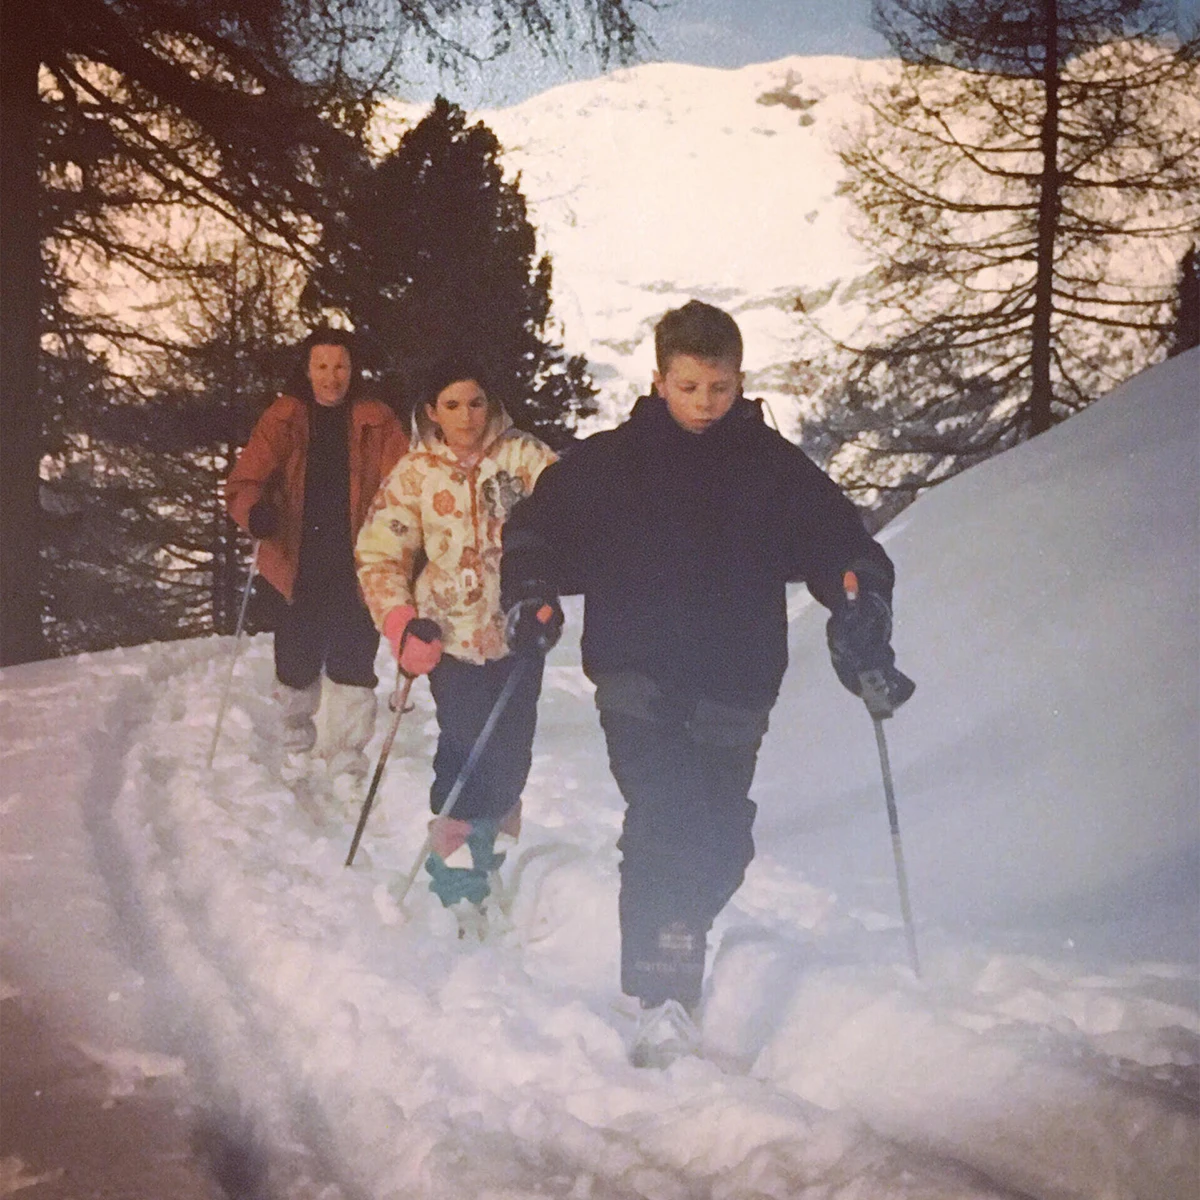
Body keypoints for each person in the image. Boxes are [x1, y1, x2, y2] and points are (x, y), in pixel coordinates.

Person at [500, 300, 914, 1066]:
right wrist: (529, 587)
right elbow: (535, 527)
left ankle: (674, 938)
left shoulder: (771, 467)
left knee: (722, 841)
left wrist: (860, 600)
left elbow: (841, 544)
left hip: (737, 682)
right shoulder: (612, 460)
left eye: (718, 388)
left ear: (739, 378)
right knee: (669, 816)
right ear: (659, 379)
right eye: (687, 386)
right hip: (637, 675)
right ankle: (662, 994)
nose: (703, 404)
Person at [356, 359, 558, 934]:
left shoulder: (523, 457)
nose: (466, 417)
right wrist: (401, 623)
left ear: (491, 402)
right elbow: (379, 553)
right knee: (468, 743)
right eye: (452, 405)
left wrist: (548, 589)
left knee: (513, 749)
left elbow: (570, 516)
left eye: (475, 403)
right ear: (430, 411)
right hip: (449, 639)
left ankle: (489, 844)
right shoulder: (414, 472)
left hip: (519, 633)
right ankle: (454, 859)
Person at [225, 328, 409, 799]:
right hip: (297, 561)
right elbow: (245, 482)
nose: (332, 377)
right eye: (322, 366)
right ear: (307, 370)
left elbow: (405, 484)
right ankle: (295, 742)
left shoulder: (377, 421)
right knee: (297, 661)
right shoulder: (283, 419)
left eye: (341, 366)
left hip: (359, 563)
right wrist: (255, 513)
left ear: (354, 370)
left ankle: (347, 761)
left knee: (352, 661)